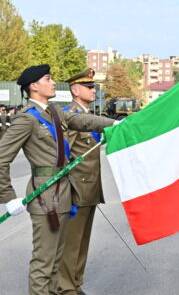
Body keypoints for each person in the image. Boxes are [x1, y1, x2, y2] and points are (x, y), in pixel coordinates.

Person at [0, 64, 115, 295]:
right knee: (43, 264)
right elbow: (2, 158)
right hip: (45, 197)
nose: (53, 83)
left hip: (63, 193)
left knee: (55, 263)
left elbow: (82, 121)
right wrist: (8, 197)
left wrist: (116, 124)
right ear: (34, 86)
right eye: (48, 79)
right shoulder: (27, 118)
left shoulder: (53, 111)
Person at [58, 69, 104, 295]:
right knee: (71, 242)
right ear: (76, 91)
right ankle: (65, 288)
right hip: (76, 190)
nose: (94, 90)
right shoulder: (71, 116)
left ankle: (76, 283)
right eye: (89, 87)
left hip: (90, 189)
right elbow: (63, 156)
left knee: (82, 241)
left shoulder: (87, 115)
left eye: (93, 86)